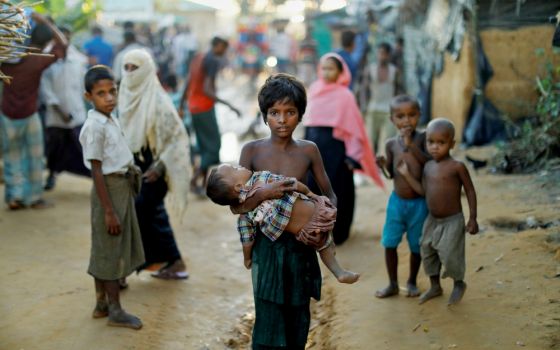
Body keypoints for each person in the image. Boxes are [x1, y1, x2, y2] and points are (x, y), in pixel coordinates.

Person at [232, 73, 336, 349]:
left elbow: (329, 192)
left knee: (298, 312)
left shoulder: (309, 150)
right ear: (264, 116)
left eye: (290, 112)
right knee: (268, 311)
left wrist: (326, 224)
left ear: (300, 115)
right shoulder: (251, 151)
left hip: (301, 247)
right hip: (267, 247)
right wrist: (264, 193)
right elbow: (237, 205)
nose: (282, 119)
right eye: (274, 112)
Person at [207, 163, 360, 284]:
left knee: (322, 245)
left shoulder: (245, 216)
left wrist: (247, 258)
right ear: (238, 186)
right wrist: (309, 193)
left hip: (305, 231)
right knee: (324, 244)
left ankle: (338, 271)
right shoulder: (263, 179)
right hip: (314, 213)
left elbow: (247, 239)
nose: (240, 166)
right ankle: (339, 271)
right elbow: (291, 183)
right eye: (235, 168)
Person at [79, 65, 144, 329]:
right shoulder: (94, 126)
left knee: (107, 245)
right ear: (88, 97)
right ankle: (115, 309)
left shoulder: (108, 118)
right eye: (100, 94)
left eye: (112, 91)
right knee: (110, 248)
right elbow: (96, 170)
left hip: (120, 187)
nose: (108, 98)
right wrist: (108, 210)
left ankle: (101, 303)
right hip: (108, 190)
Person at [118, 49, 191, 279]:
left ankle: (125, 268)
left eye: (135, 68)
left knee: (140, 210)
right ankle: (172, 261)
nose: (130, 73)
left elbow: (177, 137)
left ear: (148, 70)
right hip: (135, 167)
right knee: (152, 214)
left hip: (157, 169)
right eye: (126, 68)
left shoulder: (158, 101)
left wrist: (159, 167)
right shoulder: (124, 95)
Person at [304, 53, 384, 244]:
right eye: (324, 67)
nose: (326, 72)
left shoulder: (345, 96)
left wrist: (352, 157)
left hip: (338, 152)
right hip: (315, 149)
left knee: (338, 192)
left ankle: (339, 234)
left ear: (341, 72)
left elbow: (353, 130)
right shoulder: (314, 90)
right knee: (312, 190)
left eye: (331, 68)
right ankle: (314, 231)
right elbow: (308, 124)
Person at [397, 118, 478, 305]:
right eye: (430, 142)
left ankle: (459, 282)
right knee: (427, 250)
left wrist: (473, 218)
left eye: (441, 143)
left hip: (452, 220)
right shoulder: (428, 167)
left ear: (452, 144)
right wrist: (407, 175)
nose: (434, 147)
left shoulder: (457, 167)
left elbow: (471, 191)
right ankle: (435, 286)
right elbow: (424, 191)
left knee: (451, 254)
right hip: (432, 219)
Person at [0, 13, 68, 210]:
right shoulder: (37, 61)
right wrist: (46, 21)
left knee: (11, 156)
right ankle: (34, 197)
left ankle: (15, 197)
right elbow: (62, 45)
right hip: (30, 114)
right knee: (35, 157)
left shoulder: (4, 62)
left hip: (7, 114)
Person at [375, 94, 430, 298]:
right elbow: (391, 174)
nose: (406, 120)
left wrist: (411, 144)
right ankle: (392, 284)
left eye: (411, 115)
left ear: (419, 116)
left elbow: (428, 162)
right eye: (400, 116)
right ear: (392, 120)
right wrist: (382, 166)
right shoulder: (391, 144)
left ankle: (412, 282)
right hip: (397, 202)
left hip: (419, 203)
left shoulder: (424, 138)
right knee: (390, 243)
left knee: (416, 245)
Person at [179, 36, 241, 195]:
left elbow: (188, 81)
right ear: (218, 45)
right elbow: (207, 89)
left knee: (205, 146)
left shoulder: (198, 57)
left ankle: (202, 183)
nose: (224, 52)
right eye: (224, 48)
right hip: (204, 107)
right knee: (214, 148)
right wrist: (229, 105)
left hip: (193, 107)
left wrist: (181, 104)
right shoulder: (212, 60)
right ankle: (194, 180)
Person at [41, 25, 90, 190]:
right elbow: (46, 91)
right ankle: (51, 175)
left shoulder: (79, 60)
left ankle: (95, 179)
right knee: (55, 148)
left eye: (67, 37)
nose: (64, 41)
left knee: (82, 148)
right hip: (56, 116)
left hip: (76, 114)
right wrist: (60, 111)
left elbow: (85, 87)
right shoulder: (47, 60)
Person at [365, 42, 397, 153]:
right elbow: (364, 90)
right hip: (372, 109)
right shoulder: (370, 69)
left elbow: (399, 89)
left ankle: (381, 168)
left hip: (388, 111)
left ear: (388, 55)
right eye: (380, 53)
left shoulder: (394, 71)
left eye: (384, 53)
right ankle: (370, 169)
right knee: (369, 142)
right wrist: (363, 108)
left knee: (385, 142)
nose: (381, 56)